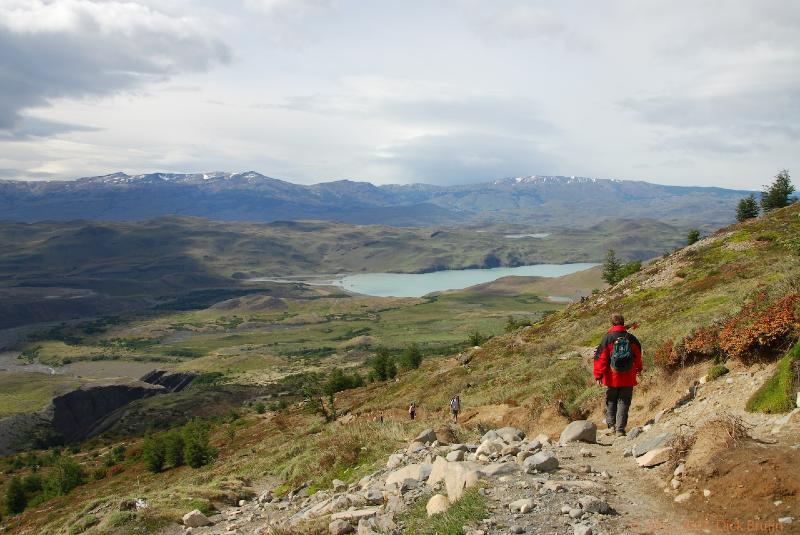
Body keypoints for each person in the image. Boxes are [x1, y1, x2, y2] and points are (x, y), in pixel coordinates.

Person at [593, 313, 643, 436]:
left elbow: (601, 359)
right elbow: (638, 356)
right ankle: (620, 430)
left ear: (612, 323)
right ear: (623, 323)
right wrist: (638, 369)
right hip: (628, 376)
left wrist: (598, 375)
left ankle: (611, 426)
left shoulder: (608, 338)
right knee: (624, 402)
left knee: (611, 400)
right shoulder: (631, 338)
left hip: (612, 377)